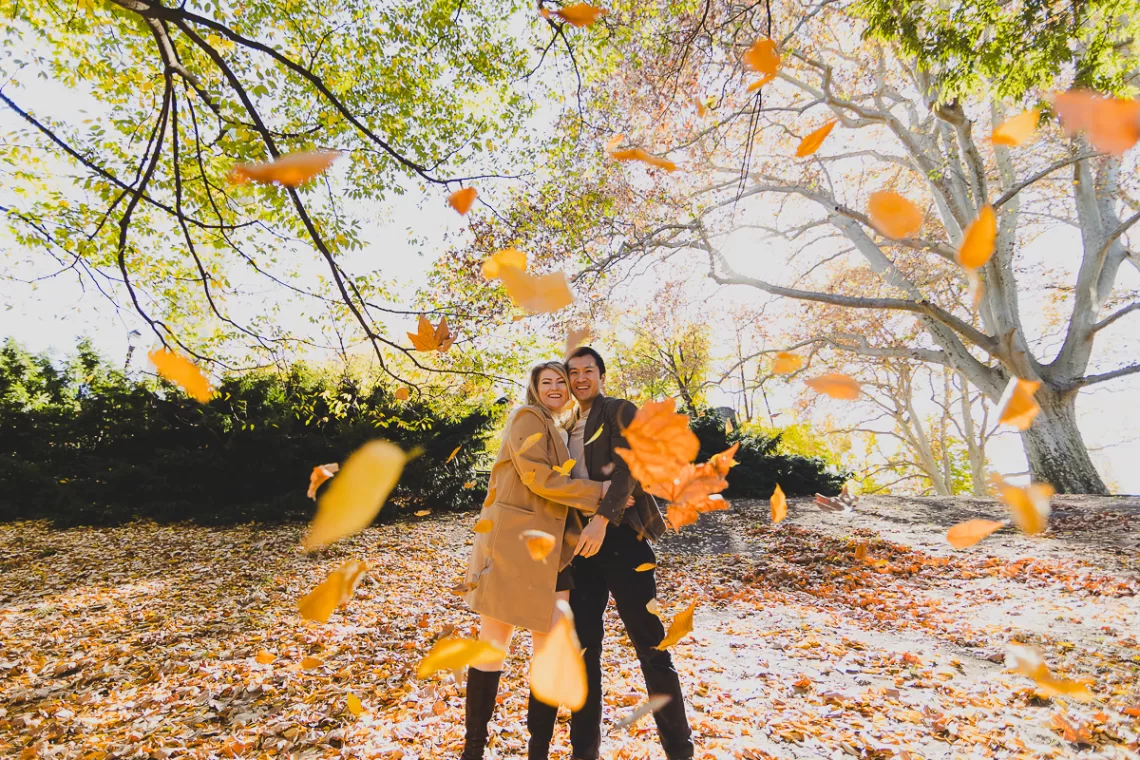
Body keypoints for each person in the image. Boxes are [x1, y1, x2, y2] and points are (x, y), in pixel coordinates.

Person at [460, 360, 613, 760]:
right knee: (493, 643)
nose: (556, 387)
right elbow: (536, 478)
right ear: (534, 388)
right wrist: (600, 492)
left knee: (548, 650)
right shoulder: (527, 418)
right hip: (512, 549)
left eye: (560, 382)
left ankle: (538, 750)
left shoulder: (558, 428)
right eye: (546, 382)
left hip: (551, 554)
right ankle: (473, 749)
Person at [565, 346, 694, 760]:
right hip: (580, 547)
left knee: (652, 647)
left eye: (589, 370)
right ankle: (584, 752)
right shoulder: (563, 423)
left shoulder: (619, 409)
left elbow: (632, 465)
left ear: (601, 375)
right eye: (573, 372)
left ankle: (680, 750)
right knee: (584, 651)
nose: (580, 378)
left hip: (622, 539)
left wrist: (603, 518)